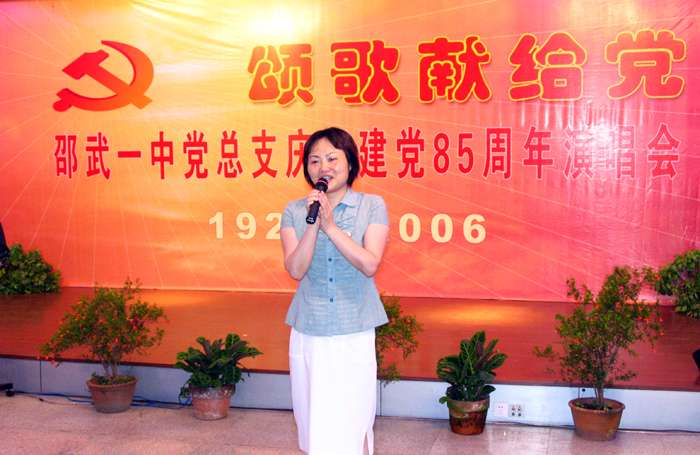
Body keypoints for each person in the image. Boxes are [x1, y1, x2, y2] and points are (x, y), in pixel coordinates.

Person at [280, 127, 391, 455]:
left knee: (351, 415)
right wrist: (315, 223)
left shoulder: (372, 205)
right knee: (314, 417)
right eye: (314, 160)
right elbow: (296, 269)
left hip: (354, 325)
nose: (323, 167)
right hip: (309, 327)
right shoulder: (295, 211)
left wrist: (330, 226)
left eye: (332, 158)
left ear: (350, 163)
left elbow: (369, 263)